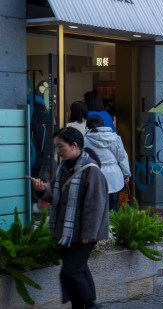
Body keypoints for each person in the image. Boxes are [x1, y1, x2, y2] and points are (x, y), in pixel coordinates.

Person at [30, 127, 108, 309]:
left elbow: (95, 206)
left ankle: (91, 305)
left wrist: (88, 233)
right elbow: (55, 199)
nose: (57, 151)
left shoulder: (91, 170)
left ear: (74, 145)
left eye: (60, 146)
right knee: (79, 270)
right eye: (56, 147)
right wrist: (41, 191)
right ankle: (80, 305)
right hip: (65, 231)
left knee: (70, 272)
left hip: (83, 233)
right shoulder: (63, 168)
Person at [83, 114, 131, 212]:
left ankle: (100, 226)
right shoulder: (115, 137)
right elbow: (122, 157)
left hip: (95, 175)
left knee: (97, 207)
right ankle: (112, 226)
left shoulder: (85, 139)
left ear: (88, 126)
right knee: (113, 205)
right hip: (114, 176)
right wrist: (126, 174)